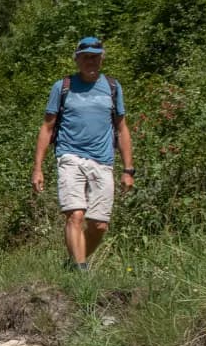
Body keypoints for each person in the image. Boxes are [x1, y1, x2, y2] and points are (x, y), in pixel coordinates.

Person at [30, 36, 135, 270]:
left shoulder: (113, 87)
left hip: (103, 161)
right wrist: (37, 168)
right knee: (75, 215)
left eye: (95, 57)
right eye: (86, 57)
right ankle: (81, 273)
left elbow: (122, 128)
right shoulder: (63, 87)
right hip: (70, 157)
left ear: (102, 59)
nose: (91, 61)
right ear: (77, 59)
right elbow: (47, 127)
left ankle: (74, 263)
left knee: (99, 225)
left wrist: (129, 169)